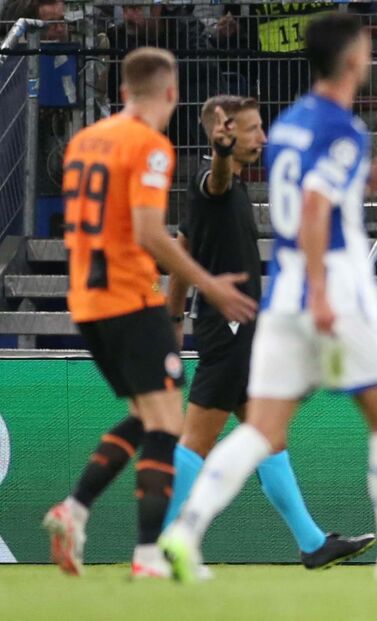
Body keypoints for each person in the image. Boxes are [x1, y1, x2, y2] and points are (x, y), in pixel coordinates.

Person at [159, 14, 377, 585]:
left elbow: (308, 191)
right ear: (351, 59)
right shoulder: (342, 127)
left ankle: (183, 531)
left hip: (283, 295)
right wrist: (326, 293)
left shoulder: (291, 125)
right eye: (366, 47)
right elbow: (318, 205)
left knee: (259, 431)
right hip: (336, 286)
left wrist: (364, 180)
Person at [42, 47, 256, 578]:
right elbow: (148, 232)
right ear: (172, 94)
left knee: (147, 416)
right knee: (166, 423)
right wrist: (209, 284)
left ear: (121, 93)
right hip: (128, 298)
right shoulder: (151, 146)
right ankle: (145, 553)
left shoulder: (86, 142)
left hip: (86, 301)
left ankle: (76, 510)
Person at [163, 94, 375, 569]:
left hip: (240, 326)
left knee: (267, 437)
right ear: (225, 133)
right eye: (254, 128)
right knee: (197, 440)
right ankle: (159, 541)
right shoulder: (212, 181)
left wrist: (174, 319)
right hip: (229, 326)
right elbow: (213, 183)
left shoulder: (226, 190)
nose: (262, 136)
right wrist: (219, 155)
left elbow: (182, 251)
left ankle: (313, 542)